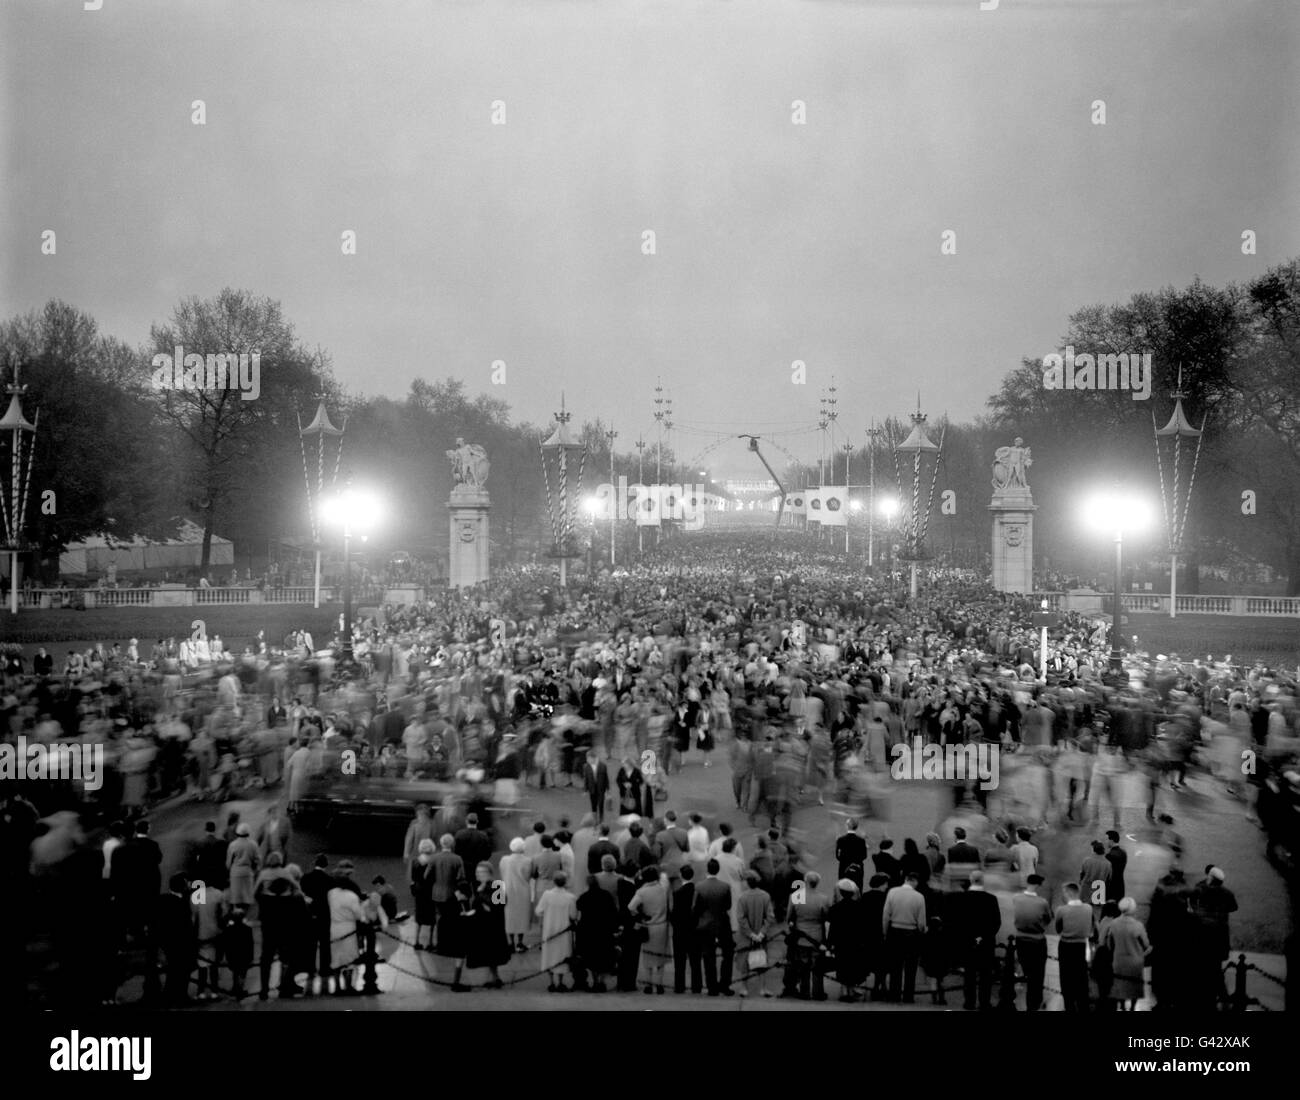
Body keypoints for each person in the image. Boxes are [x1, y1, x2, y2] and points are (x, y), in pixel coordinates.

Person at [950, 869, 1001, 1011]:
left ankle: (969, 1002)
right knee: (985, 975)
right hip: (986, 942)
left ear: (971, 880)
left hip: (967, 941)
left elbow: (957, 922)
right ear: (983, 881)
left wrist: (969, 937)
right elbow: (996, 922)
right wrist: (982, 936)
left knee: (969, 974)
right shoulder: (991, 899)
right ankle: (984, 1002)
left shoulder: (961, 898)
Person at [784, 870, 829, 1001]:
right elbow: (825, 917)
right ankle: (818, 992)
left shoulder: (796, 896)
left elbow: (789, 917)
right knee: (817, 965)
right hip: (817, 936)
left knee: (803, 965)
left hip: (801, 936)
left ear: (805, 881)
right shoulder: (823, 898)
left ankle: (805, 991)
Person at [881, 872, 927, 1003]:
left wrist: (885, 932)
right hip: (911, 933)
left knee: (895, 966)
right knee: (911, 968)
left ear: (905, 880)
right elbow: (922, 922)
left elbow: (886, 915)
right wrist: (922, 932)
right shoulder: (919, 897)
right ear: (915, 882)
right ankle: (908, 996)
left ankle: (894, 994)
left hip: (895, 931)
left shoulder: (892, 892)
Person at [463, 862, 508, 988]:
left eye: (482, 872)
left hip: (493, 925)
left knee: (492, 953)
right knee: (488, 954)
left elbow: (498, 906)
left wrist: (482, 895)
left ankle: (495, 978)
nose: (479, 875)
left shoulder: (497, 885)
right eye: (477, 872)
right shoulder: (477, 885)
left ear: (489, 873)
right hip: (482, 924)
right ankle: (494, 977)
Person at [694, 858, 735, 996]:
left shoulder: (699, 886)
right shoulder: (725, 886)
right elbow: (728, 906)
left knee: (708, 957)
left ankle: (712, 986)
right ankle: (725, 983)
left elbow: (696, 908)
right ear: (717, 870)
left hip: (705, 924)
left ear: (707, 870)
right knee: (727, 955)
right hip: (722, 923)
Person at [1012, 873, 1052, 1011]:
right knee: (1037, 975)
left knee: (1027, 970)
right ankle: (1033, 1004)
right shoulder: (1042, 902)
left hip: (1020, 938)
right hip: (1037, 940)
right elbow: (1047, 919)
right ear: (1037, 885)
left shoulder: (1016, 898)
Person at [629, 865, 670, 994]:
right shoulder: (663, 889)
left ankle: (648, 984)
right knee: (660, 958)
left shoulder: (641, 892)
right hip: (662, 926)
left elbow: (631, 907)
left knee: (647, 957)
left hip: (648, 926)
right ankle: (659, 984)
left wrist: (641, 915)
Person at [1054, 882, 1095, 1012]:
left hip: (1066, 945)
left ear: (1068, 893)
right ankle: (1082, 1004)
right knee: (1081, 975)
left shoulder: (1061, 910)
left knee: (1066, 976)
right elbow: (1092, 926)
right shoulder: (1088, 909)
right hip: (1081, 945)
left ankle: (1069, 1004)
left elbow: (1058, 928)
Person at [735, 870, 776, 998]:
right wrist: (761, 933)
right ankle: (763, 988)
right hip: (761, 935)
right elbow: (770, 917)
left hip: (745, 936)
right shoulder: (765, 896)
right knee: (761, 961)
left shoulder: (743, 897)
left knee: (744, 962)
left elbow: (741, 918)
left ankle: (744, 988)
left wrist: (750, 934)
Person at [575, 874, 620, 992]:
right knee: (604, 956)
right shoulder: (606, 895)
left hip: (589, 931)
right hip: (604, 930)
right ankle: (602, 981)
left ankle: (595, 981)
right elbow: (613, 912)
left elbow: (578, 909)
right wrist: (615, 928)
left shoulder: (584, 897)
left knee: (591, 957)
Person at [1104, 897, 1150, 1011]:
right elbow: (1146, 944)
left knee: (1120, 987)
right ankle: (1133, 1008)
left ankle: (1123, 1006)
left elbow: (1109, 945)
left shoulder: (1113, 924)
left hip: (1119, 961)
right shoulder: (1138, 925)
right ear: (1133, 909)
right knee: (1134, 988)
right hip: (1135, 961)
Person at [535, 871, 578, 992]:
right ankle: (560, 982)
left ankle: (551, 982)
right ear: (565, 882)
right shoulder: (570, 897)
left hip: (549, 930)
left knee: (549, 955)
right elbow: (573, 916)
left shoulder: (547, 895)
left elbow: (538, 911)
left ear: (554, 882)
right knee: (562, 956)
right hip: (563, 931)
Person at [827, 878, 868, 1001]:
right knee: (852, 965)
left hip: (840, 942)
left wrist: (830, 944)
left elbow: (832, 928)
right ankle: (851, 989)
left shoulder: (835, 908)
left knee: (842, 965)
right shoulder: (860, 908)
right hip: (855, 942)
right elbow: (863, 927)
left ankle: (844, 991)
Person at [500, 837, 535, 953]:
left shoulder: (504, 860)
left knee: (508, 917)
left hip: (506, 889)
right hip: (523, 891)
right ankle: (520, 942)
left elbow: (502, 873)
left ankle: (510, 943)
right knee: (522, 917)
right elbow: (531, 875)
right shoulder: (528, 861)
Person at [670, 865, 702, 994]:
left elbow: (674, 914)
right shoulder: (697, 892)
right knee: (695, 961)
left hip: (680, 931)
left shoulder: (677, 893)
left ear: (681, 875)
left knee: (680, 961)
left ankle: (679, 986)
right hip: (694, 930)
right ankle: (696, 986)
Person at [410, 838, 438, 950]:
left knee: (419, 916)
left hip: (419, 891)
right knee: (432, 916)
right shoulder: (434, 862)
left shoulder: (415, 861)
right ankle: (430, 942)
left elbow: (413, 878)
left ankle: (416, 941)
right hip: (431, 891)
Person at [225, 823, 260, 908]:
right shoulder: (253, 844)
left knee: (236, 899)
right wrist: (255, 870)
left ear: (237, 833)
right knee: (247, 899)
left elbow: (228, 863)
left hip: (235, 873)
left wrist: (229, 870)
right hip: (248, 872)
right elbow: (257, 860)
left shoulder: (233, 845)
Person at [834, 818, 868, 891]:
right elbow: (864, 856)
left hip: (844, 867)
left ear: (847, 826)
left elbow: (837, 855)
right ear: (857, 827)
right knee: (858, 886)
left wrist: (844, 860)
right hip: (858, 867)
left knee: (843, 888)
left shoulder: (841, 840)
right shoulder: (861, 840)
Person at [1079, 840, 1112, 906]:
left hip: (1086, 891)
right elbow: (1108, 880)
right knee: (1097, 912)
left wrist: (1080, 881)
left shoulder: (1087, 860)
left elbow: (1082, 874)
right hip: (1099, 892)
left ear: (1094, 850)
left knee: (1086, 910)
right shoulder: (1108, 863)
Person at [1104, 830, 1128, 903]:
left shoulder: (1109, 856)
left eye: (1106, 839)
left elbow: (1107, 875)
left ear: (1111, 840)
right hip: (1120, 886)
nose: (1105, 842)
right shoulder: (1123, 852)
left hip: (1111, 890)